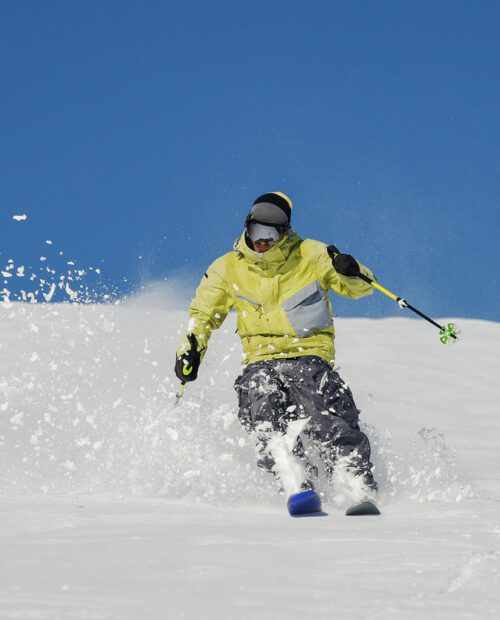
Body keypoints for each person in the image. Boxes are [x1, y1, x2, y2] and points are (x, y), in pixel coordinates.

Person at [175, 192, 378, 506]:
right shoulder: (228, 267)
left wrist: (349, 268)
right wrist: (191, 350)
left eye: (270, 236)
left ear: (284, 234)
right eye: (257, 233)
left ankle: (354, 483)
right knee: (263, 410)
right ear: (247, 228)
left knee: (323, 412)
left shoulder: (311, 254)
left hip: (308, 355)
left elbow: (361, 288)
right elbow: (203, 313)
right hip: (261, 359)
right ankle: (296, 481)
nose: (262, 242)